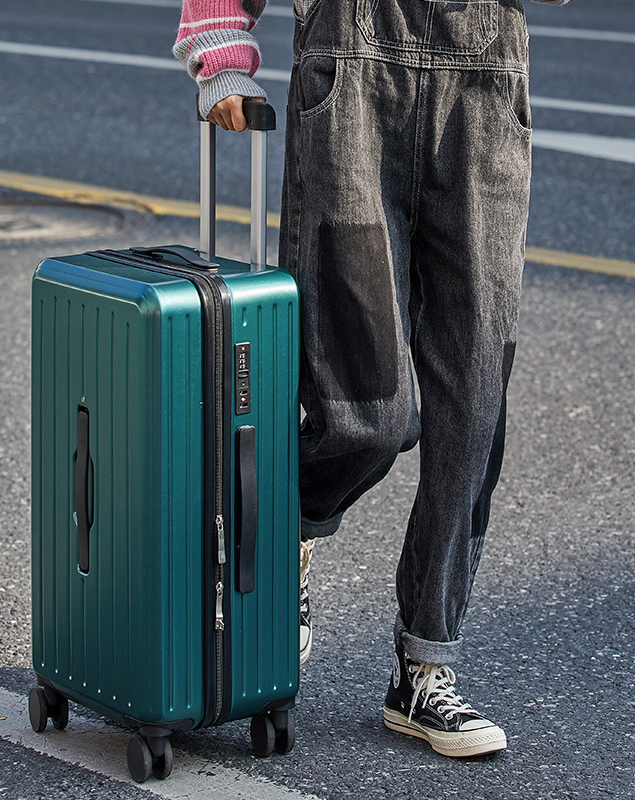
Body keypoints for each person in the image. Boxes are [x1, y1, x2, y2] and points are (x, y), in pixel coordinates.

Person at [174, 0, 570, 758]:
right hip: (351, 90)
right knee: (368, 410)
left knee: (474, 406)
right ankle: (291, 523)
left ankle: (426, 665)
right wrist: (220, 46)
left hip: (485, 91)